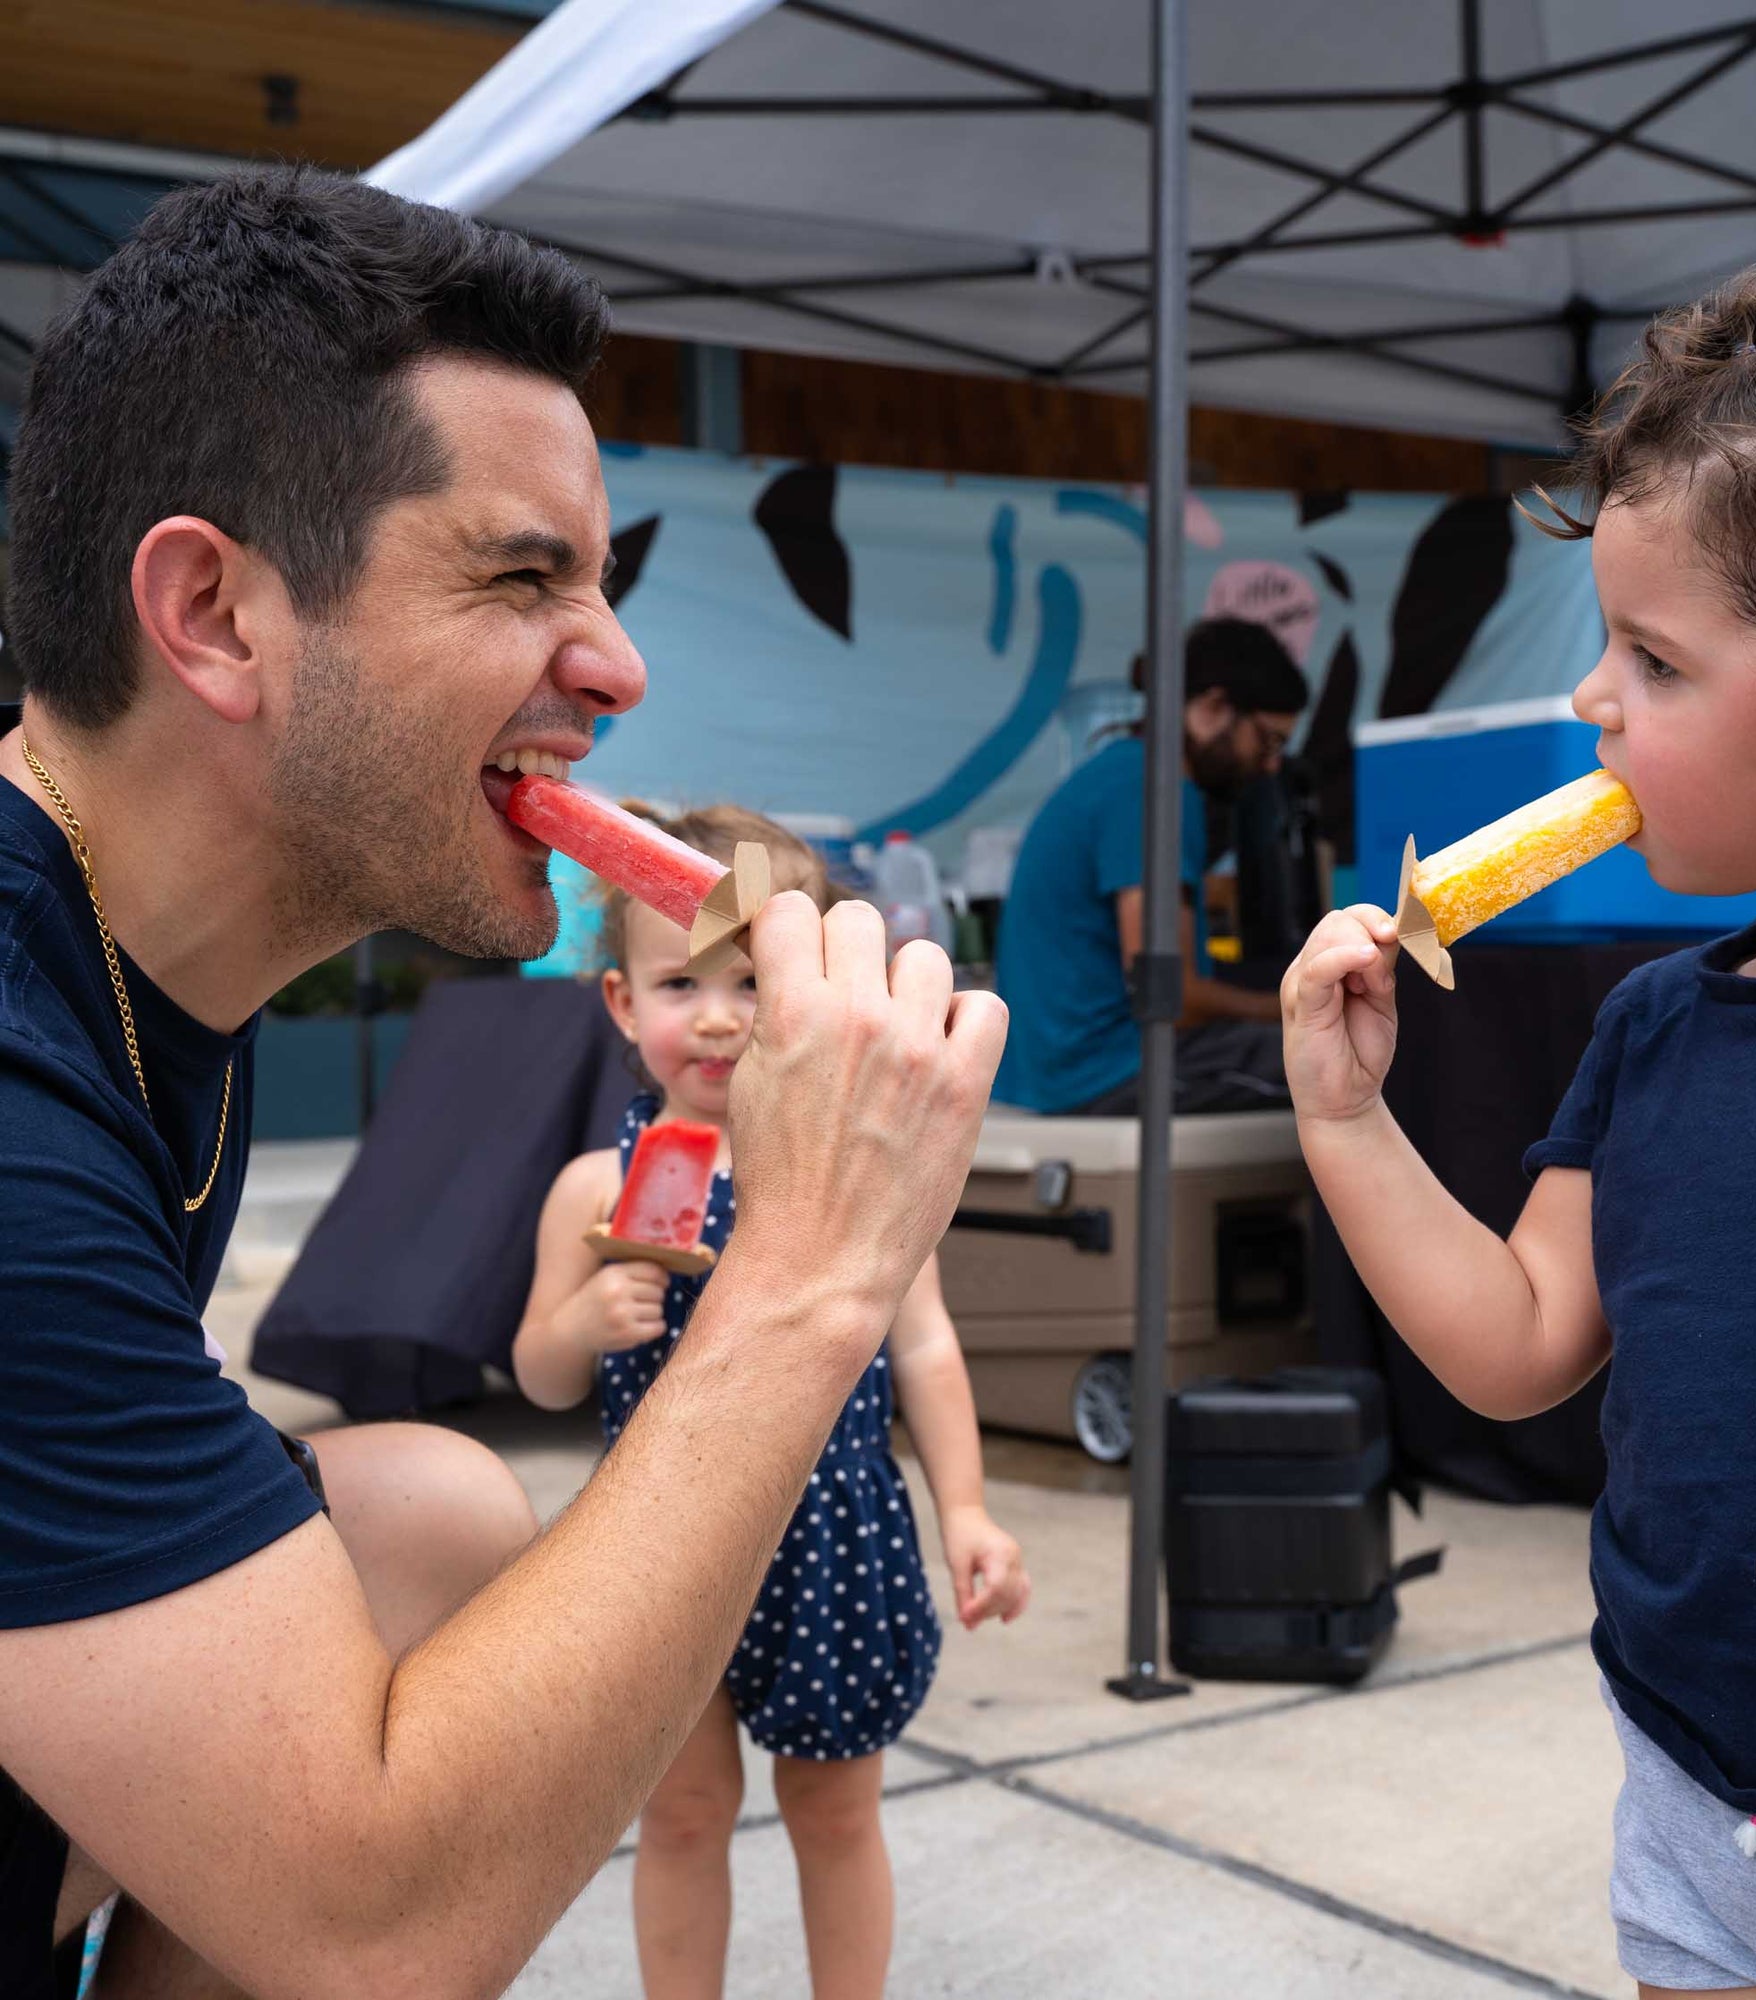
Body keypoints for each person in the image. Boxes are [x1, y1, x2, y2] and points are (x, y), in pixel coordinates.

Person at [0, 169, 1003, 1999]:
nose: (614, 670)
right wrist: (814, 1274)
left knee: (436, 1519)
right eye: (520, 578)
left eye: (599, 584)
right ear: (214, 613)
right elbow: (375, 1935)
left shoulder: (134, 974)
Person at [1282, 263, 1756, 2000]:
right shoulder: (1656, 1021)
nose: (1593, 703)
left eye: (1653, 659)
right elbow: (1523, 1345)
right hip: (1686, 1805)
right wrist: (1348, 1123)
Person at [512, 803, 1029, 1999]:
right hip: (655, 1539)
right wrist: (582, 1322)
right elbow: (537, 1369)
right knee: (682, 1812)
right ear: (620, 1004)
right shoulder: (600, 1185)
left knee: (835, 1815)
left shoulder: (861, 1167)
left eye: (753, 979)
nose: (721, 1014)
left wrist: (967, 1510)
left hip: (831, 1534)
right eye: (681, 982)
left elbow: (927, 1343)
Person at [995, 616, 1308, 1115]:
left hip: (1057, 1071)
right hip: (1103, 1073)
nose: (1270, 765)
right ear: (1212, 708)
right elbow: (1166, 998)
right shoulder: (1152, 791)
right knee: (1348, 1062)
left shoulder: (1120, 773)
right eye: (1268, 741)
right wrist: (1292, 1007)